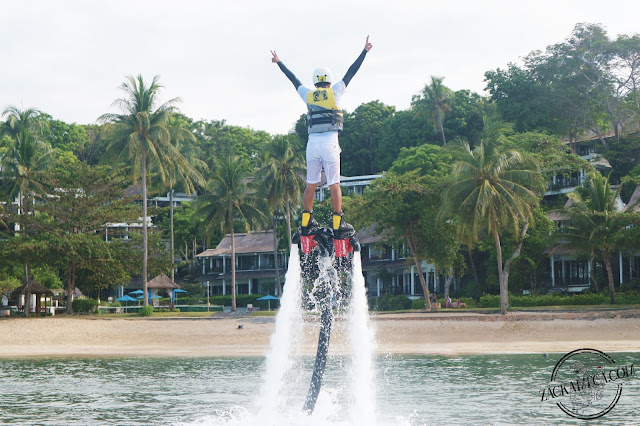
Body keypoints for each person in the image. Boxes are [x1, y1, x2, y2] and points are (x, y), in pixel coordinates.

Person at [271, 36, 373, 238]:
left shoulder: (307, 95)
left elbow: (293, 80)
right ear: (329, 80)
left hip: (312, 145)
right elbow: (352, 72)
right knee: (334, 183)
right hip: (330, 144)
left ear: (315, 81)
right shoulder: (336, 92)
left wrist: (279, 62)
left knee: (311, 183)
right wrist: (365, 51)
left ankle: (306, 220)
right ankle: (337, 222)